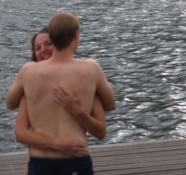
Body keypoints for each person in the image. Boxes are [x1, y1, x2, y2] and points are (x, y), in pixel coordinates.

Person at [6, 12, 116, 175]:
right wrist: (78, 110)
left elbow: (9, 103)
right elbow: (111, 104)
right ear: (76, 36)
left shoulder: (28, 72)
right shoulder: (91, 70)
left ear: (54, 38)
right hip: (75, 160)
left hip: (40, 161)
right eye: (38, 48)